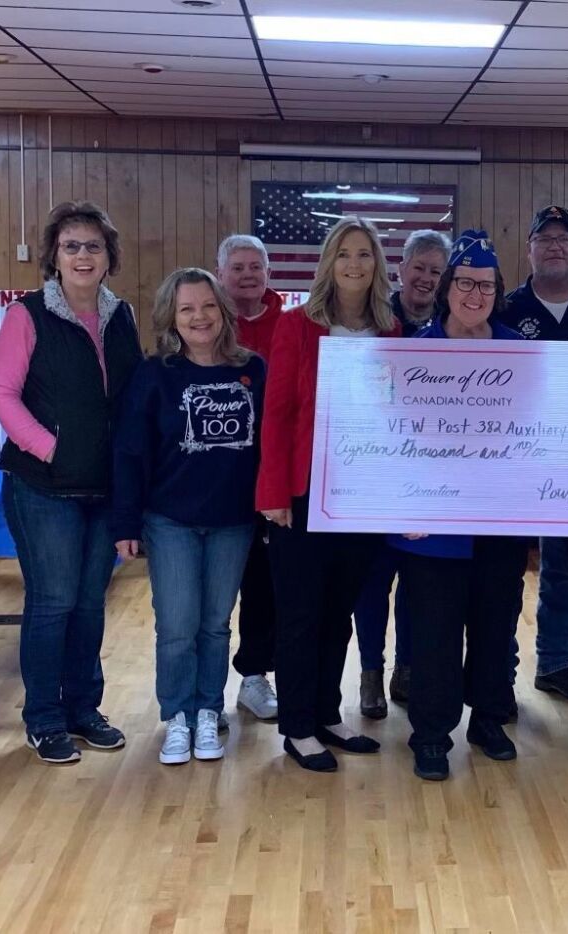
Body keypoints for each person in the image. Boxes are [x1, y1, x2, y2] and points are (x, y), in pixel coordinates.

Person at [0, 201, 141, 766]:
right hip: (43, 484)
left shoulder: (121, 315)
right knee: (52, 602)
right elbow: (1, 393)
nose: (82, 255)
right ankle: (44, 718)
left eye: (93, 246)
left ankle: (84, 709)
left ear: (109, 257)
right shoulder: (26, 316)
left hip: (104, 487)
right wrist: (51, 448)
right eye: (72, 246)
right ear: (54, 255)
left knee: (89, 604)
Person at [256, 216, 402, 772]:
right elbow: (277, 415)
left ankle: (325, 713)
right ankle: (296, 727)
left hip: (361, 495)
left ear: (376, 265)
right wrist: (273, 492)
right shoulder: (296, 327)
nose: (355, 264)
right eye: (344, 254)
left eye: (365, 254)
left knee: (339, 611)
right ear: (328, 263)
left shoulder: (391, 330)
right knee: (300, 613)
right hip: (301, 494)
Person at [112, 268, 265, 767]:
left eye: (208, 306)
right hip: (170, 519)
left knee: (215, 625)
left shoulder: (253, 370)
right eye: (186, 309)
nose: (199, 317)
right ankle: (177, 713)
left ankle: (207, 710)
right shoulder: (156, 373)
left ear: (223, 310)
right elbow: (131, 452)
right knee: (177, 624)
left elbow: (270, 446)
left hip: (234, 521)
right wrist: (126, 523)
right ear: (170, 319)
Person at [395, 229, 531, 781]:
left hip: (500, 521)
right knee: (433, 632)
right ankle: (430, 733)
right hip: (431, 526)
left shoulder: (521, 354)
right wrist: (405, 505)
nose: (475, 294)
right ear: (448, 287)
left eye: (487, 285)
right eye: (466, 282)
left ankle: (488, 719)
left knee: (496, 626)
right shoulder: (410, 353)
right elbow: (390, 436)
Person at [496, 204, 568, 706]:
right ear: (530, 248)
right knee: (502, 569)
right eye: (545, 238)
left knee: (565, 567)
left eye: (565, 237)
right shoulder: (508, 307)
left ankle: (557, 662)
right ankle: (500, 669)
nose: (556, 246)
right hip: (517, 460)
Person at [352, 229, 452, 718]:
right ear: (401, 268)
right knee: (373, 581)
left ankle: (408, 668)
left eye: (437, 270)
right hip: (377, 469)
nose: (427, 278)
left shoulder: (455, 325)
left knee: (418, 581)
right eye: (420, 267)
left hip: (430, 476)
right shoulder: (376, 318)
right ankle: (370, 671)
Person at [217, 233, 282, 722]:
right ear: (221, 273)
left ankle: (255, 678)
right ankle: (202, 691)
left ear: (267, 273)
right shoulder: (204, 321)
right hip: (217, 477)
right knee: (212, 591)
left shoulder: (291, 324)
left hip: (271, 478)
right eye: (237, 267)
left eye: (254, 267)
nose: (246, 275)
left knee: (263, 587)